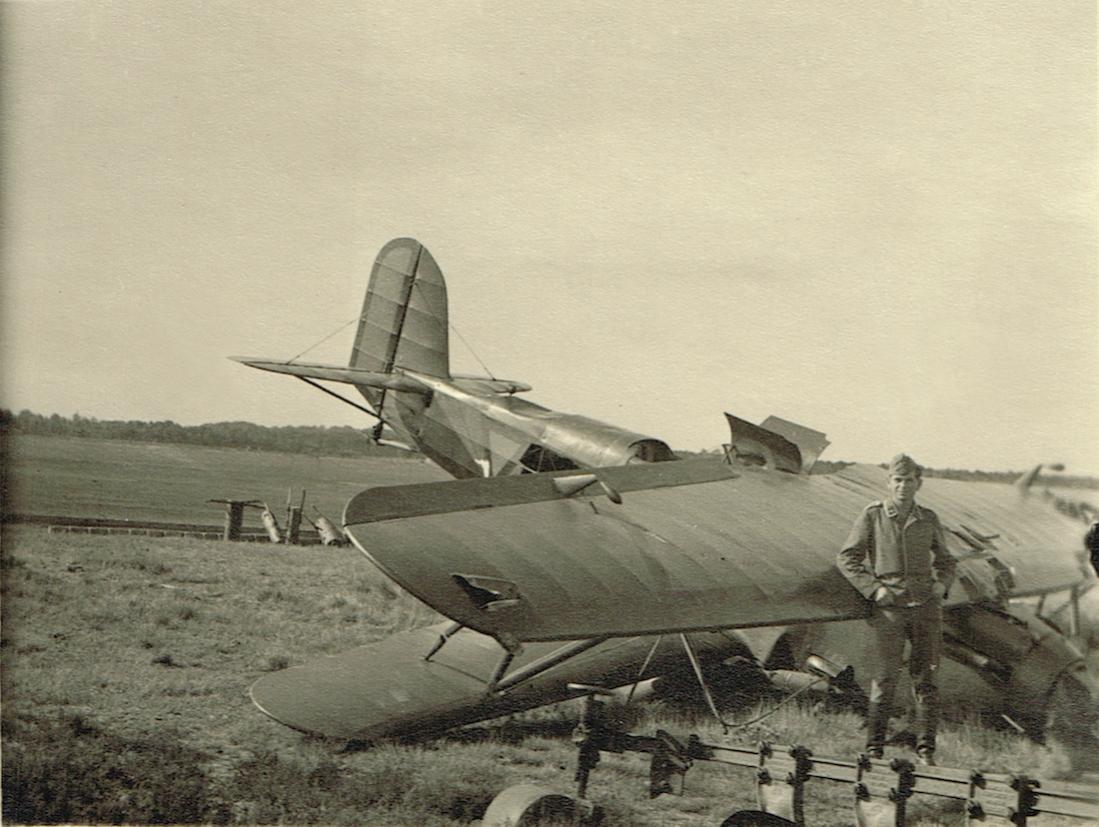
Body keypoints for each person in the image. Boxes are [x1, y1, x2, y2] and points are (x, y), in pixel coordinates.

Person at [836, 453, 956, 765]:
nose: (903, 486)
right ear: (889, 483)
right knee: (885, 677)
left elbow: (946, 561)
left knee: (926, 678)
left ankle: (926, 750)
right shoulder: (873, 516)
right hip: (890, 610)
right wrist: (873, 589)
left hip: (926, 609)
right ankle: (875, 747)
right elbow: (848, 558)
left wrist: (942, 585)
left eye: (909, 480)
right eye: (897, 480)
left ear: (919, 483)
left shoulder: (928, 518)